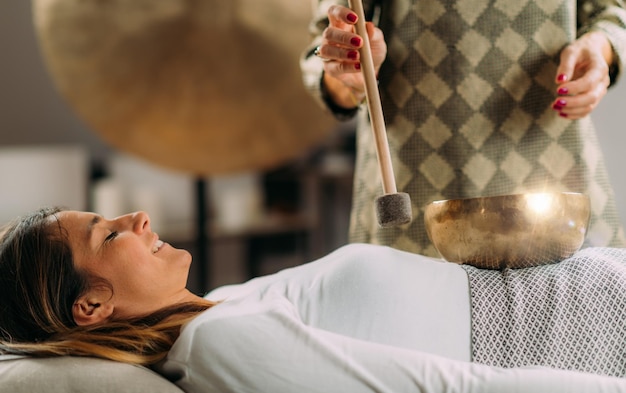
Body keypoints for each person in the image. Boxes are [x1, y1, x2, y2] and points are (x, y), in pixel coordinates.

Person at [1, 208, 625, 392]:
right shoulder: (221, 344)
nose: (137, 218)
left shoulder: (224, 305)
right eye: (108, 235)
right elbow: (458, 389)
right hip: (596, 341)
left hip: (593, 287)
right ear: (90, 309)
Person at [300, 0, 626, 256]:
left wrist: (604, 47)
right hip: (415, 180)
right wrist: (348, 74)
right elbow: (328, 41)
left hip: (559, 178)